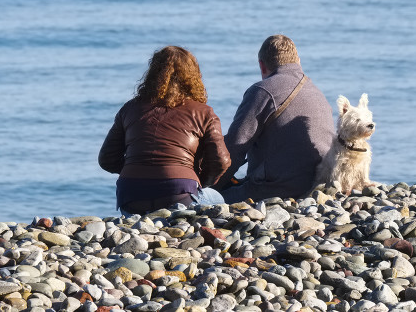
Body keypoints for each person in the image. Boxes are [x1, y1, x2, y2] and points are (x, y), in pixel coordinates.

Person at [99, 46, 230, 215]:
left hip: (131, 197)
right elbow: (221, 160)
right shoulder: (203, 112)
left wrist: (138, 168)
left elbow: (106, 159)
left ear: (153, 73)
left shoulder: (129, 109)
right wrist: (200, 181)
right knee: (218, 199)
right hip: (179, 195)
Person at [214, 35, 334, 203]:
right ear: (298, 61)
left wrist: (209, 185)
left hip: (276, 189)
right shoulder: (317, 93)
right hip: (318, 187)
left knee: (201, 200)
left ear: (262, 66)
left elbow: (234, 148)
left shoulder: (262, 91)